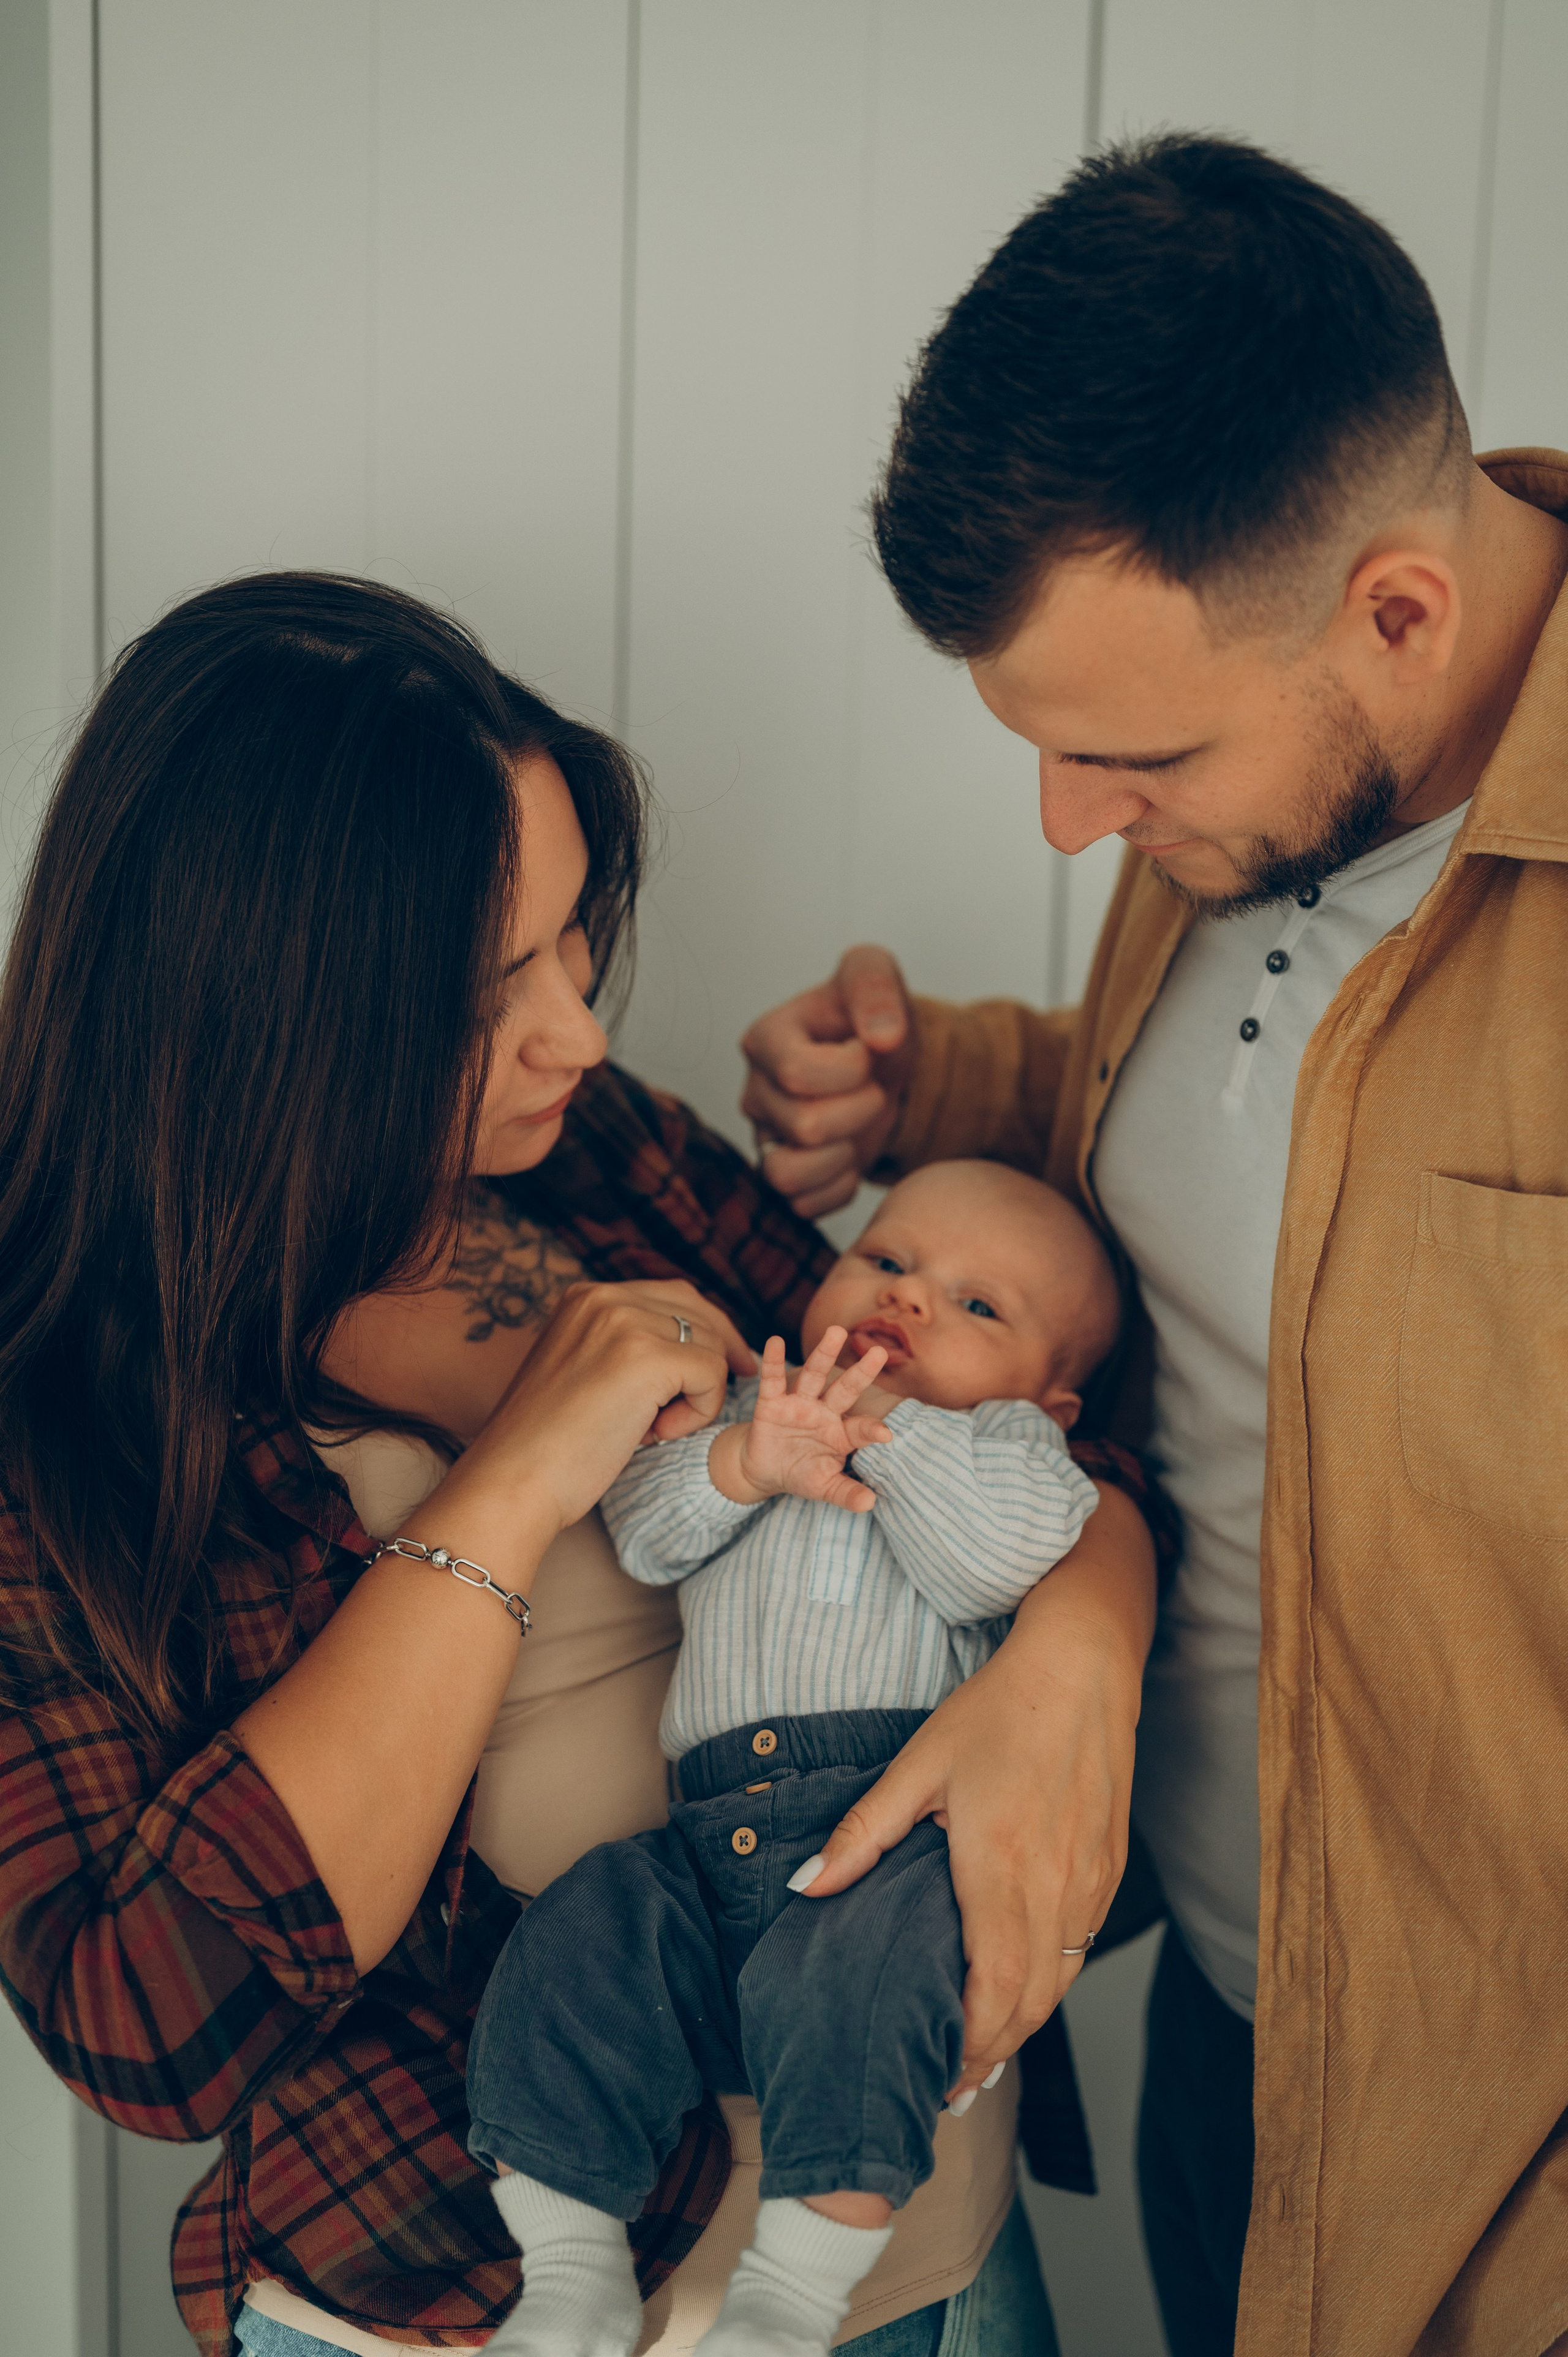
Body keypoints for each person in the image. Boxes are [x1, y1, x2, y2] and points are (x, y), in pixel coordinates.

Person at [0, 574, 1163, 2357]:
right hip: (485, 2299)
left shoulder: (588, 1155)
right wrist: (514, 1480)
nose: (587, 1034)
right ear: (268, 1017)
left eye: (571, 943)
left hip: (925, 2250)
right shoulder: (61, 1414)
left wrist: (1084, 1637)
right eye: (494, 988)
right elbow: (151, 2021)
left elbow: (995, 1411)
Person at [741, 133, 1568, 2357]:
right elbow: (1281, 1177)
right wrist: (954, 1098)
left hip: (1493, 2155)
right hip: (1209, 2011)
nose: (1066, 822)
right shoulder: (1271, 768)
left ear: (1403, 609)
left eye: (1129, 756)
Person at [466, 1162, 1118, 2357]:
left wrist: (886, 1429)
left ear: (1051, 1396)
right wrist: (745, 1462)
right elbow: (647, 1534)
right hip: (699, 1844)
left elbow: (1004, 1556)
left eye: (978, 1308)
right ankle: (568, 2273)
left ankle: (790, 2295)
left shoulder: (1008, 1444)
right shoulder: (745, 1410)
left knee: (869, 1992)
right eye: (887, 1261)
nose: (911, 1301)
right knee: (575, 1934)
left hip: (881, 1844)